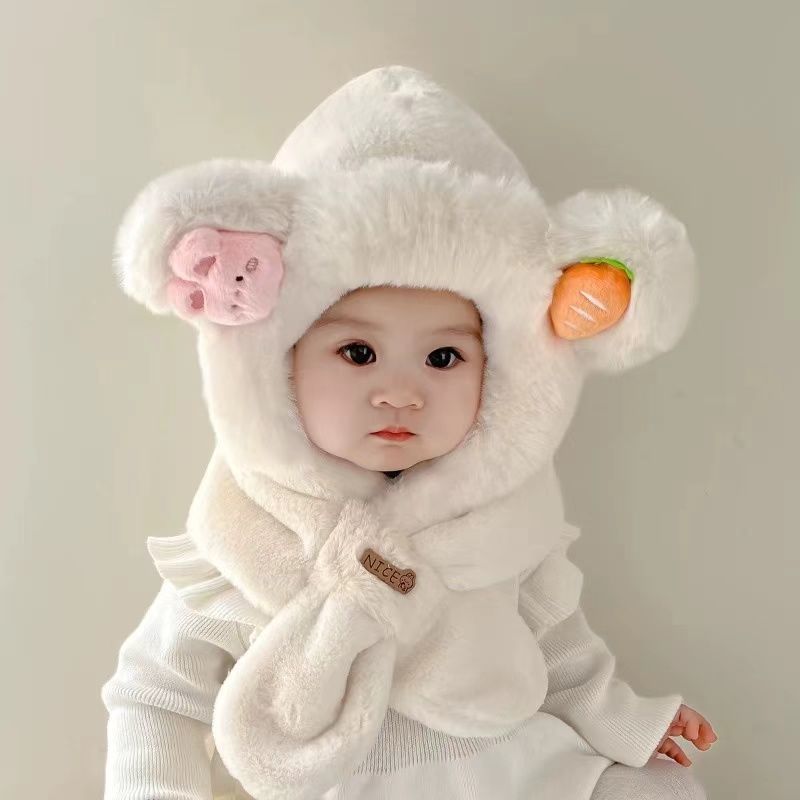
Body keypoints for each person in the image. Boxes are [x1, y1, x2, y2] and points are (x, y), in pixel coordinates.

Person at [102, 65, 716, 800]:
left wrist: (628, 722)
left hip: (516, 774)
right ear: (278, 363)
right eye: (358, 353)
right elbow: (157, 694)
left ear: (505, 379)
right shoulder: (244, 535)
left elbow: (559, 651)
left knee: (660, 792)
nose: (401, 392)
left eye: (444, 358)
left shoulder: (503, 517)